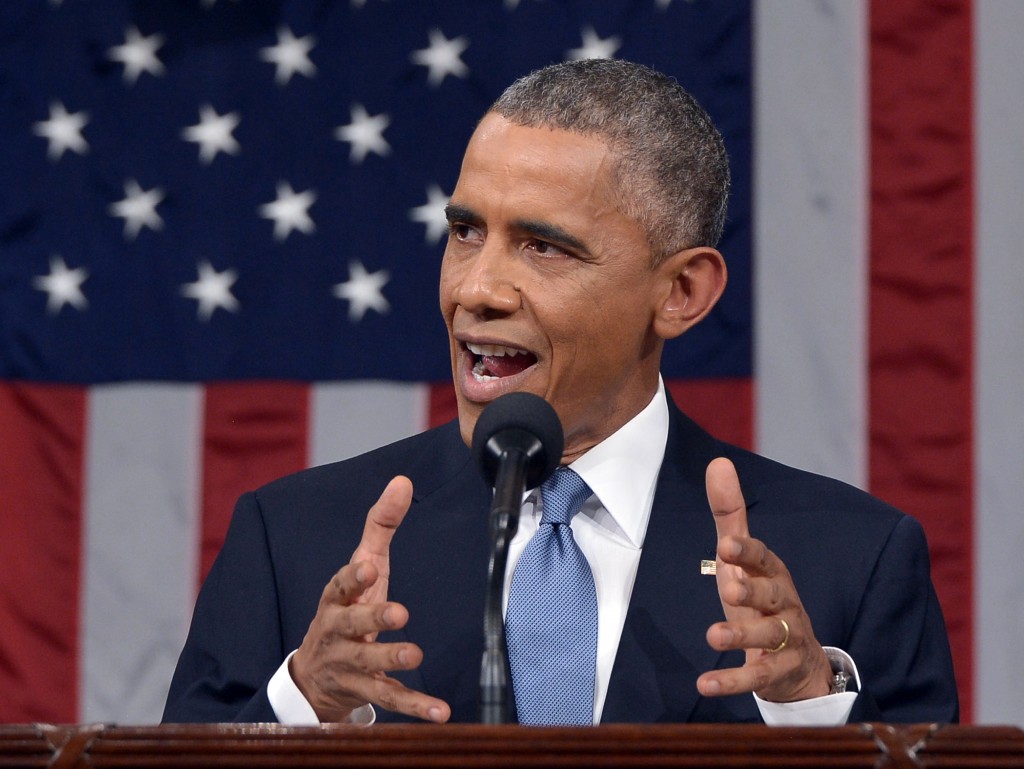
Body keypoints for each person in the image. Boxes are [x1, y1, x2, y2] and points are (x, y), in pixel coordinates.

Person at [163, 59, 958, 726]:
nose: (475, 288)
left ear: (681, 290)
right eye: (467, 231)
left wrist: (806, 707)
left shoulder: (851, 563)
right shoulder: (294, 541)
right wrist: (309, 702)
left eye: (543, 246)